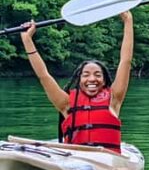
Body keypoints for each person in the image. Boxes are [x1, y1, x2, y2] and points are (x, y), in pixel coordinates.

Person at [19, 11, 134, 153]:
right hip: (76, 161)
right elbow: (44, 75)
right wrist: (27, 40)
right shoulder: (66, 103)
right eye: (86, 75)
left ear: (104, 81)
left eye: (97, 75)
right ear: (79, 80)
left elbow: (125, 62)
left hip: (109, 161)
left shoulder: (114, 99)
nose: (92, 79)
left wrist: (128, 21)